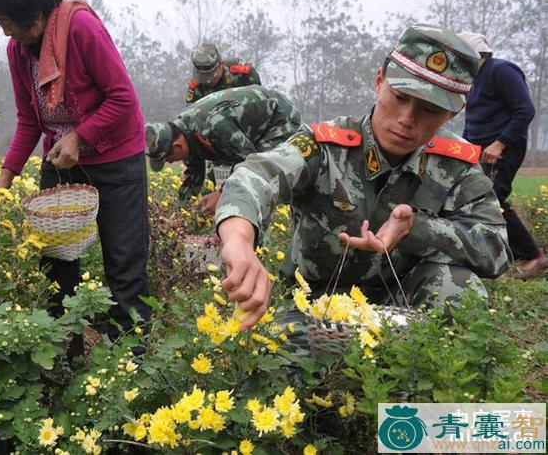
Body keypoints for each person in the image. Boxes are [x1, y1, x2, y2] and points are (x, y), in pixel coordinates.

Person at [214, 24, 510, 330]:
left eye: (429, 110)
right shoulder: (326, 146)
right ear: (379, 82)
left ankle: (418, 369)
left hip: (400, 306)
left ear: (453, 112)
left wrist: (417, 229)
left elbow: (496, 250)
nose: (407, 119)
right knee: (282, 363)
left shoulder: (454, 163)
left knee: (460, 288)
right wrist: (239, 242)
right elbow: (256, 177)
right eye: (399, 97)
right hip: (314, 305)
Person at [0, 0, 150, 355]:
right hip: (60, 162)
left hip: (116, 160)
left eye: (6, 19)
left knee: (124, 262)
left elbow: (123, 98)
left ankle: (132, 358)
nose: (4, 30)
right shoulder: (18, 52)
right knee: (56, 260)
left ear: (32, 10)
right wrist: (7, 173)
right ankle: (64, 353)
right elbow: (28, 119)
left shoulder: (81, 28)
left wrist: (80, 137)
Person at [457, 31, 547, 279]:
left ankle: (533, 256)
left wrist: (500, 143)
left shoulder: (501, 71)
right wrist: (464, 147)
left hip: (503, 147)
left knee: (493, 200)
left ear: (476, 55)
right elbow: (472, 119)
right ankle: (498, 253)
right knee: (475, 200)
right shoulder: (472, 80)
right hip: (480, 148)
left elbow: (525, 110)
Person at [146, 85, 301, 214]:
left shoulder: (212, 125)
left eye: (168, 158)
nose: (171, 162)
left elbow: (249, 161)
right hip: (241, 135)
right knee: (217, 178)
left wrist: (221, 195)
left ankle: (255, 240)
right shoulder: (181, 133)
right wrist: (181, 213)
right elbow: (193, 176)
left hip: (279, 118)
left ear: (177, 146)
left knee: (259, 178)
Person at [185, 43, 261, 105]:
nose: (207, 81)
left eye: (211, 76)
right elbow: (191, 116)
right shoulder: (195, 88)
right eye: (202, 77)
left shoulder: (242, 72)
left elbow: (260, 98)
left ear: (221, 64)